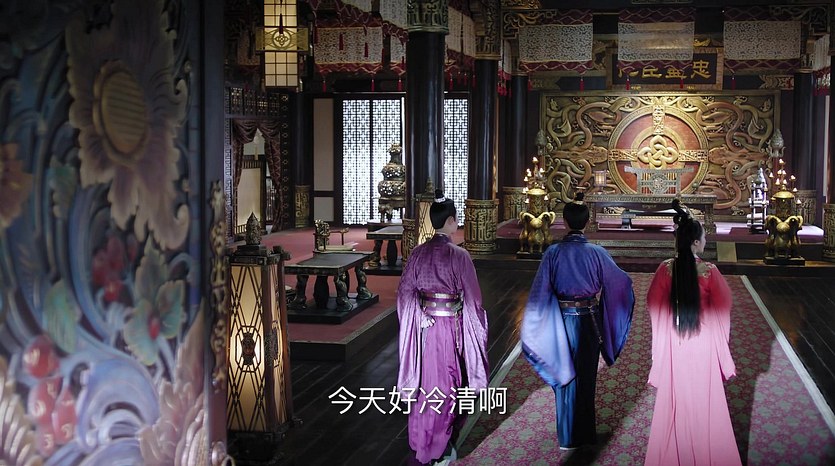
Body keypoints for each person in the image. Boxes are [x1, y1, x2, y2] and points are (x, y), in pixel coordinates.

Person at [521, 192, 635, 450]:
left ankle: (567, 436)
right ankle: (585, 434)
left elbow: (540, 291)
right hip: (589, 320)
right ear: (587, 221)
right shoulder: (597, 253)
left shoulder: (552, 253)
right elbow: (621, 282)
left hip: (561, 320)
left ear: (564, 221)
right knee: (586, 377)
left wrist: (537, 322)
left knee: (563, 374)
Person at [644, 200, 741, 465]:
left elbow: (654, 305)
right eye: (704, 237)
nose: (705, 241)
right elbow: (723, 308)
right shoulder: (710, 271)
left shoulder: (665, 269)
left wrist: (662, 338)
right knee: (705, 400)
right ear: (696, 243)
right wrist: (720, 343)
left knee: (676, 399)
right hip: (704, 343)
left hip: (675, 341)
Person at [397, 189, 489, 465]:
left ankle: (422, 439)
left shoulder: (417, 253)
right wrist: (477, 327)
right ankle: (439, 446)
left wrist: (418, 316)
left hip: (424, 328)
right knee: (448, 383)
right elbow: (473, 298)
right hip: (449, 326)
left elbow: (405, 293)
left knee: (427, 382)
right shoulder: (459, 255)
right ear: (450, 221)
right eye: (456, 219)